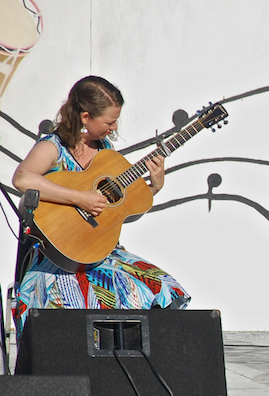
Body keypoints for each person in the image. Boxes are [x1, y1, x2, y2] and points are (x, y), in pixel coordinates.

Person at [11, 75, 189, 333]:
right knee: (74, 304)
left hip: (103, 254)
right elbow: (23, 178)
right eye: (109, 121)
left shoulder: (106, 154)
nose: (114, 128)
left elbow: (118, 212)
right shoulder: (54, 147)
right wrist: (79, 197)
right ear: (85, 118)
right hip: (57, 259)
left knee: (165, 288)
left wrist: (154, 186)